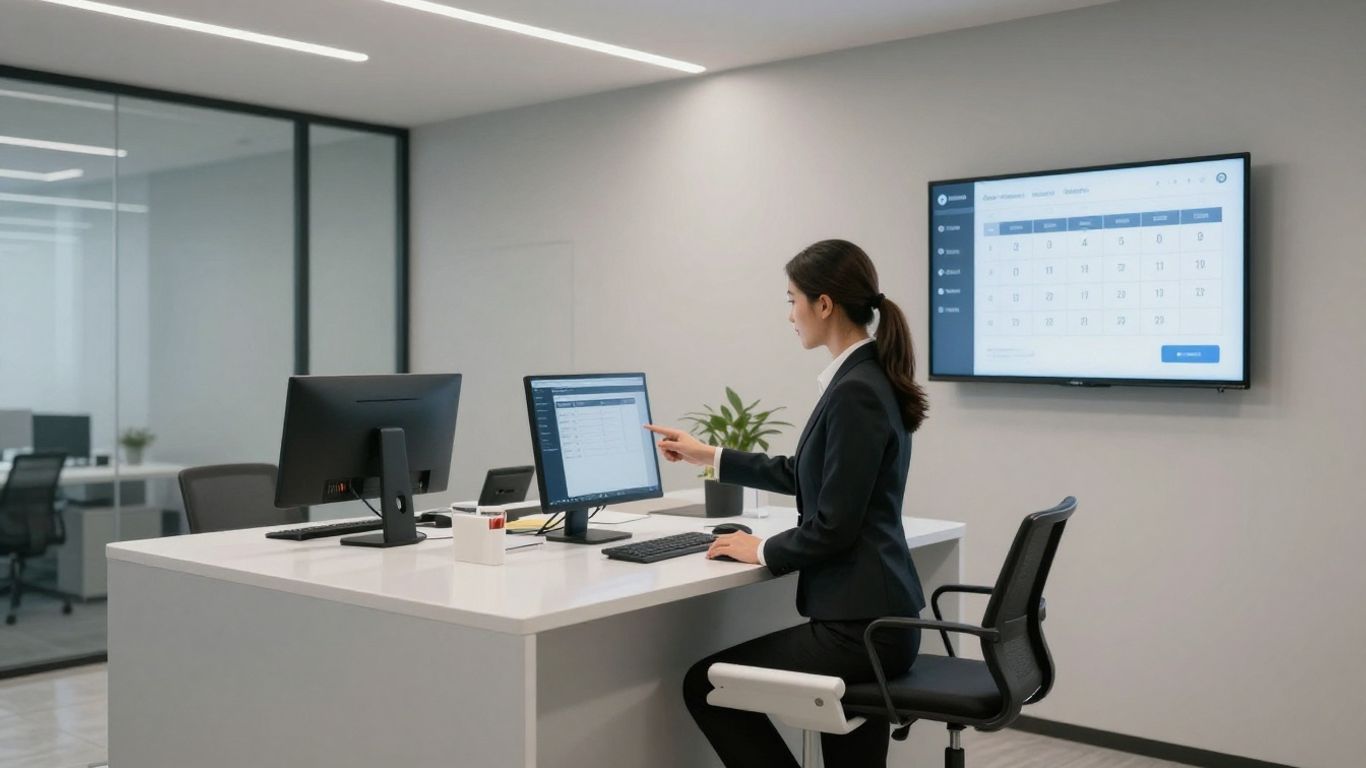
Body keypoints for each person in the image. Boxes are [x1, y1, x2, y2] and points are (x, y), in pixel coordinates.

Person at [645, 239, 930, 767]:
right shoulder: (865, 377)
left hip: (859, 630)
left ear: (824, 304)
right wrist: (710, 454)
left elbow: (833, 527)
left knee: (705, 687)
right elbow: (807, 474)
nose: (789, 314)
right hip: (878, 622)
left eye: (791, 299)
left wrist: (761, 549)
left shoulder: (856, 390)